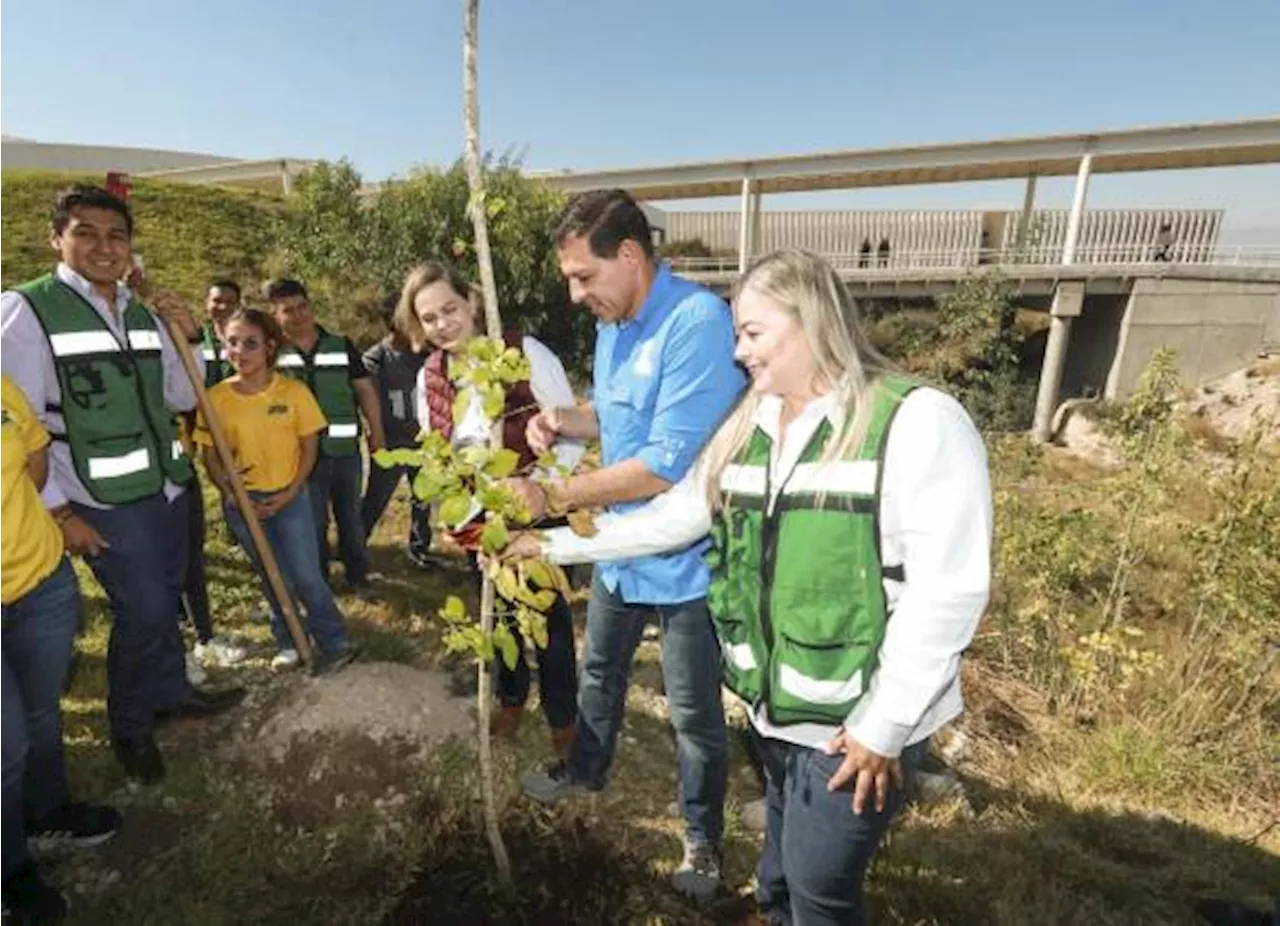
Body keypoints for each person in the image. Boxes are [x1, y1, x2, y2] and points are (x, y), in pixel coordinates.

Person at [506, 249, 992, 925]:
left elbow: (950, 591)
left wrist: (882, 731)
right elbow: (674, 517)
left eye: (753, 333)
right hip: (777, 708)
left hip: (854, 723)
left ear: (812, 320)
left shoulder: (915, 421)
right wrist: (548, 542)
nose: (739, 352)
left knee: (822, 890)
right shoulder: (752, 423)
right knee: (781, 867)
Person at [509, 189, 746, 899]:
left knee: (695, 713)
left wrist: (552, 500)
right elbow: (617, 420)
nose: (578, 294)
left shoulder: (696, 322)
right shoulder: (615, 324)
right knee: (600, 672)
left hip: (687, 559)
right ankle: (586, 768)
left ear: (632, 256)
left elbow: (662, 464)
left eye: (585, 277)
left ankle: (702, 839)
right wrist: (563, 420)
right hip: (621, 547)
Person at [0, 185, 245, 785]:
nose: (104, 247)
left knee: (166, 601)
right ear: (56, 238)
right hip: (96, 496)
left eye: (117, 235)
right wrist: (58, 514)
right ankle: (132, 724)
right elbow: (20, 431)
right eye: (86, 232)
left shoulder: (142, 308)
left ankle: (169, 694)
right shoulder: (26, 311)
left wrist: (186, 336)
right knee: (146, 609)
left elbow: (185, 396)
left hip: (164, 483)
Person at [396, 260, 584, 758]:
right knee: (497, 614)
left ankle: (563, 717)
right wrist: (466, 520)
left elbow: (569, 434)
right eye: (429, 317)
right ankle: (510, 697)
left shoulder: (523, 353)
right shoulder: (431, 376)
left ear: (473, 303)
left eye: (449, 309)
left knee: (549, 618)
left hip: (537, 505)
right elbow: (439, 453)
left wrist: (538, 487)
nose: (442, 324)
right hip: (478, 519)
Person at [0, 375, 122, 924]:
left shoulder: (2, 387)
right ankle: (9, 870)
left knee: (40, 711)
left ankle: (46, 811)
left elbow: (34, 460)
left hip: (41, 581)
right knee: (5, 746)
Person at [195, 307, 357, 673]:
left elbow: (309, 448)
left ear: (269, 347)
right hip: (244, 503)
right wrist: (232, 493)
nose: (239, 351)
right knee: (272, 576)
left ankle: (333, 640)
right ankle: (287, 639)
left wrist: (292, 490)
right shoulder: (216, 398)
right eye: (232, 343)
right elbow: (211, 457)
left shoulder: (294, 392)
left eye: (250, 343)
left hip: (290, 498)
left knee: (306, 575)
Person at [267, 279, 385, 589]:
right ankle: (319, 581)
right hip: (300, 457)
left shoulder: (340, 344)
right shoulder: (272, 354)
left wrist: (377, 432)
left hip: (345, 451)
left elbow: (365, 391)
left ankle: (358, 576)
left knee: (351, 520)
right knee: (313, 522)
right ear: (275, 315)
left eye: (302, 306)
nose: (298, 315)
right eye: (287, 310)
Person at [178, 279, 250, 683]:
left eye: (228, 301)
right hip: (197, 436)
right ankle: (185, 640)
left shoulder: (235, 334)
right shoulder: (192, 337)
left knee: (188, 556)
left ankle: (200, 633)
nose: (220, 307)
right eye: (215, 300)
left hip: (223, 430)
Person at [360, 294, 431, 566]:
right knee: (375, 501)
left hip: (424, 442)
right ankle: (355, 548)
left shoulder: (426, 354)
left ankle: (420, 550)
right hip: (392, 442)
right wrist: (377, 440)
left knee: (423, 499)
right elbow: (370, 406)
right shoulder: (376, 358)